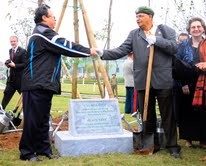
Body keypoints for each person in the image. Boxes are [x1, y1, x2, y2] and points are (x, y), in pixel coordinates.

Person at [96, 6, 181, 158]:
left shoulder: (165, 30)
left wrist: (157, 40)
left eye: (141, 16)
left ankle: (172, 146)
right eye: (136, 16)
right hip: (142, 80)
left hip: (162, 79)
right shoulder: (135, 34)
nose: (138, 19)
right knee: (147, 115)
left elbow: (174, 48)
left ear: (150, 16)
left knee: (168, 115)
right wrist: (104, 53)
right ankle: (152, 144)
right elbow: (122, 50)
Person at [19, 4, 98, 161]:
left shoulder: (43, 33)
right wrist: (88, 50)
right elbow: (66, 45)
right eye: (52, 17)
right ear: (44, 18)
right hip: (36, 84)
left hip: (43, 85)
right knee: (33, 120)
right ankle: (26, 152)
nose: (55, 19)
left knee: (43, 120)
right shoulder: (43, 33)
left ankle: (43, 149)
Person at [175, 17, 206, 148]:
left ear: (203, 28)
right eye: (193, 27)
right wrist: (183, 83)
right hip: (187, 83)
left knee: (203, 112)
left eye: (198, 26)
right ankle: (188, 139)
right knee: (186, 110)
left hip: (204, 83)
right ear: (189, 30)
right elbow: (176, 64)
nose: (196, 29)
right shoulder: (182, 45)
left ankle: (203, 139)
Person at [1, 36, 26, 110]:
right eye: (11, 41)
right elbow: (12, 62)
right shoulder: (10, 50)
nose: (12, 43)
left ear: (17, 41)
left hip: (20, 80)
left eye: (14, 41)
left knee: (25, 98)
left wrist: (15, 65)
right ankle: (1, 112)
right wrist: (8, 64)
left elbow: (25, 64)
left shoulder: (23, 51)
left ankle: (28, 114)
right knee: (6, 95)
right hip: (11, 79)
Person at [173, 33, 190, 126]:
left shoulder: (190, 52)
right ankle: (179, 124)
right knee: (178, 107)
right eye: (180, 40)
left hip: (191, 84)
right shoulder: (175, 53)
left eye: (185, 40)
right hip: (177, 85)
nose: (182, 42)